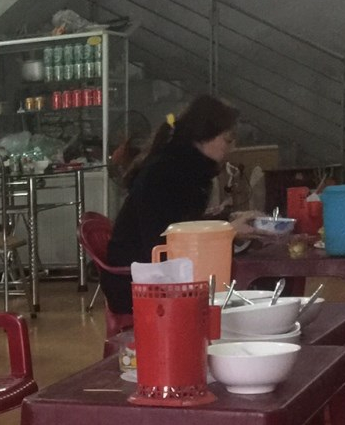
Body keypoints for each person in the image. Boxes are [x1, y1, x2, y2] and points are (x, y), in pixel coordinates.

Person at [100, 95, 245, 315]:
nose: (232, 147)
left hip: (145, 274)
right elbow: (168, 239)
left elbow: (179, 227)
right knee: (235, 298)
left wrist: (227, 222)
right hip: (138, 284)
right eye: (228, 139)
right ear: (203, 136)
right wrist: (228, 230)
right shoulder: (167, 173)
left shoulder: (179, 166)